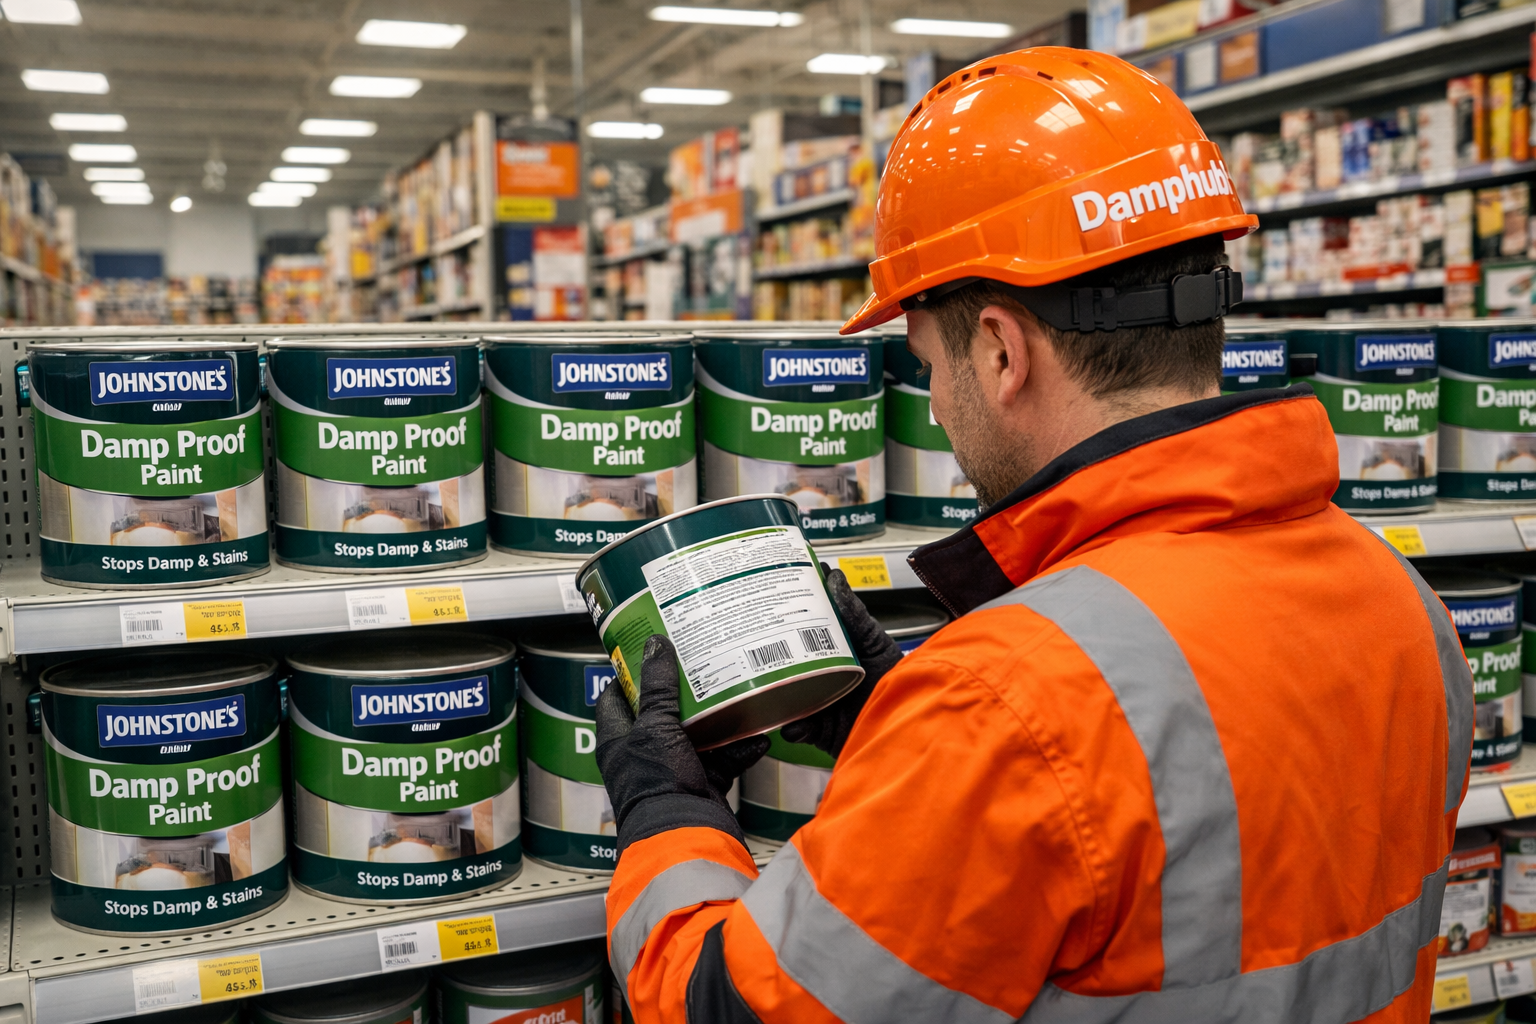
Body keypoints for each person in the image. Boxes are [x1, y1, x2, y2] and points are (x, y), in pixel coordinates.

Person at [594, 46, 1471, 1024]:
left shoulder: (1007, 706)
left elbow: (733, 1009)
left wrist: (666, 814)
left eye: (929, 362)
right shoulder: (1407, 606)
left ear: (1001, 351)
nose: (936, 403)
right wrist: (896, 729)